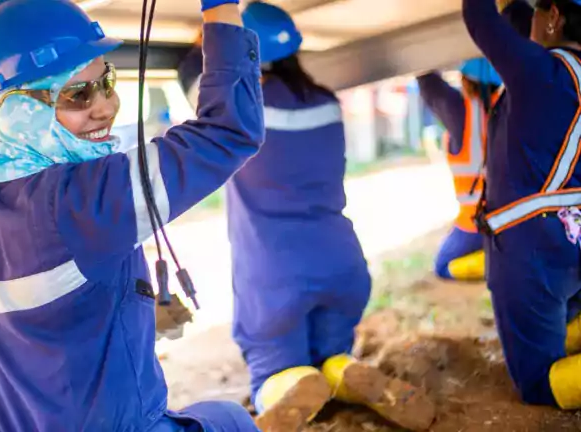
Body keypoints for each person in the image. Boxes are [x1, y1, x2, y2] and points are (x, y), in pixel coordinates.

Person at [0, 0, 266, 430]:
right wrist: (220, 8)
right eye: (77, 94)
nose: (106, 107)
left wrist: (120, 312)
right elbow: (228, 131)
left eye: (106, 81)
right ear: (20, 107)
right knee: (230, 420)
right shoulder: (79, 203)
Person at [179, 2, 434, 431]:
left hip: (275, 275)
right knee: (331, 350)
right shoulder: (327, 102)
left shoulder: (239, 109)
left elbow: (190, 71)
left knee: (275, 368)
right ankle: (341, 372)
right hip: (342, 263)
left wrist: (209, 38)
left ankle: (290, 383)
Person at [463, 0, 581, 410]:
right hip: (572, 232)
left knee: (537, 382)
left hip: (532, 245)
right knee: (563, 315)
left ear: (554, 17)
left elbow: (479, 18)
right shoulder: (559, 75)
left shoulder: (540, 73)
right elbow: (514, 28)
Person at [415, 58, 503, 282]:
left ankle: (497, 264)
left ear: (465, 80)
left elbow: (427, 81)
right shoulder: (511, 106)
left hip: (475, 221)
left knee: (444, 265)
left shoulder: (460, 112)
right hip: (514, 215)